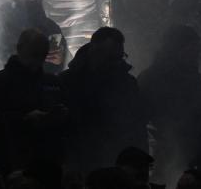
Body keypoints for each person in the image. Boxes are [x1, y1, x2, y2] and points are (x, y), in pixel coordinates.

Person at [137, 25, 201, 186]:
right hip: (165, 156)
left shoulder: (197, 80)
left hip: (196, 155)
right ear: (175, 49)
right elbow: (139, 120)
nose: (196, 54)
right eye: (191, 48)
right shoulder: (151, 79)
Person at [0, 28, 69, 171]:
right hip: (9, 157)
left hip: (47, 160)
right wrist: (23, 119)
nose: (38, 59)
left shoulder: (53, 83)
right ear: (19, 48)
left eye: (43, 54)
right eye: (34, 53)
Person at [59, 27, 145, 171]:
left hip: (116, 166)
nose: (117, 62)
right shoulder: (67, 82)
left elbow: (137, 127)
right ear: (94, 52)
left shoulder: (128, 84)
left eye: (120, 57)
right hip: (78, 165)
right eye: (111, 57)